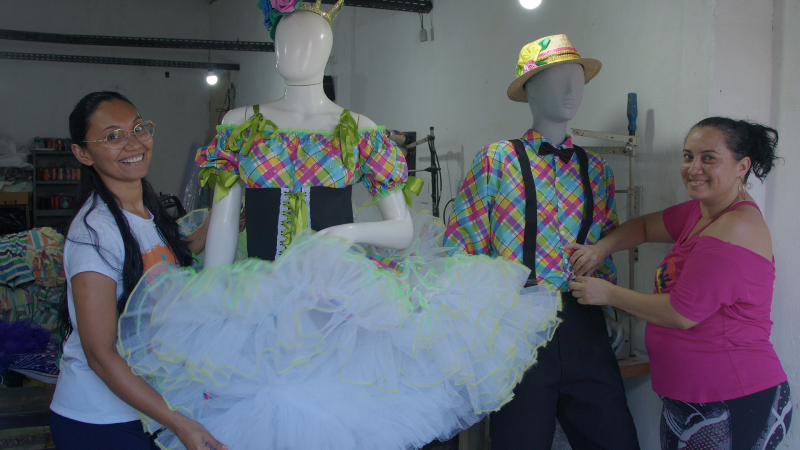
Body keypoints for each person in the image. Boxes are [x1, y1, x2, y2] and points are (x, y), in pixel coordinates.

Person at [116, 2, 561, 450]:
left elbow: (402, 229)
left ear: (328, 49)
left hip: (339, 303)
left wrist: (343, 234)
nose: (297, 51)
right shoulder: (239, 125)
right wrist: (213, 299)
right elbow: (224, 224)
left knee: (334, 418)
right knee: (267, 413)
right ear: (273, 49)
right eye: (287, 40)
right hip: (262, 298)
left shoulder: (360, 130)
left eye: (310, 40)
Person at [445, 34, 640, 449]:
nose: (571, 91)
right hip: (516, 329)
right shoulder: (496, 159)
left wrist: (608, 312)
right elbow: (464, 248)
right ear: (530, 90)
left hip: (584, 322)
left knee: (616, 439)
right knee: (520, 441)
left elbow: (604, 242)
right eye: (557, 79)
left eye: (577, 79)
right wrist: (470, 327)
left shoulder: (598, 169)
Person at [567, 117, 792, 449]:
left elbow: (681, 312)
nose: (694, 167)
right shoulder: (700, 212)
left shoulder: (737, 227)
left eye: (709, 158)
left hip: (733, 397)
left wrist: (608, 294)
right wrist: (601, 248)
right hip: (691, 397)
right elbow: (644, 227)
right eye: (688, 156)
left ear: (742, 166)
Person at [50, 91, 227, 450]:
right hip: (100, 421)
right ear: (83, 153)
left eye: (138, 128)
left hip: (149, 411)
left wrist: (220, 222)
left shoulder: (146, 209)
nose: (134, 143)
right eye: (113, 136)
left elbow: (164, 260)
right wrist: (177, 421)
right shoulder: (94, 234)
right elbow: (100, 354)